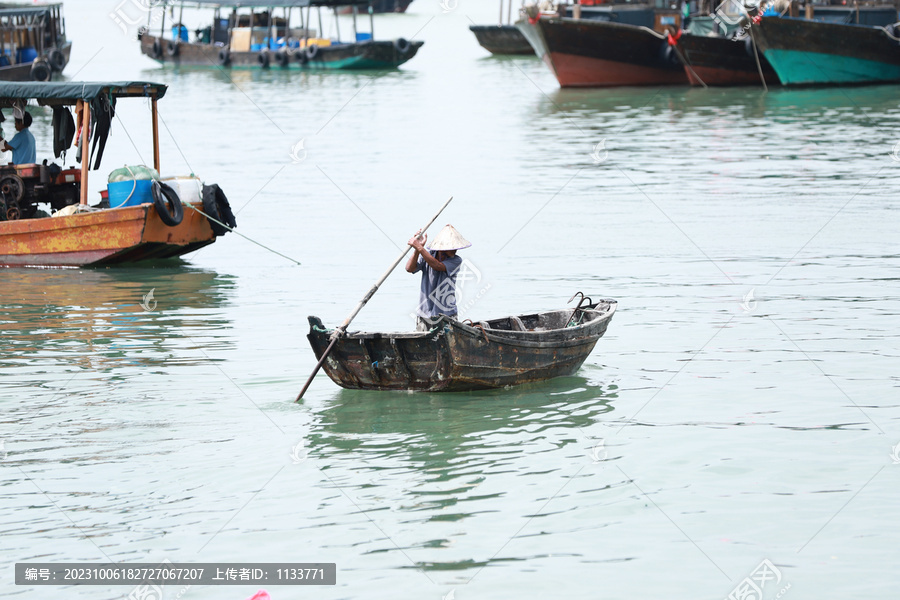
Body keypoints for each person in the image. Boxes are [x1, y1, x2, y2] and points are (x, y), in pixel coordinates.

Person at [406, 224, 471, 331]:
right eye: (452, 247)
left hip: (446, 315)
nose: (455, 250)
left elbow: (437, 266)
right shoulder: (428, 254)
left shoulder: (456, 260)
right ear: (443, 248)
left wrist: (419, 247)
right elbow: (409, 268)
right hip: (425, 313)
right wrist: (417, 250)